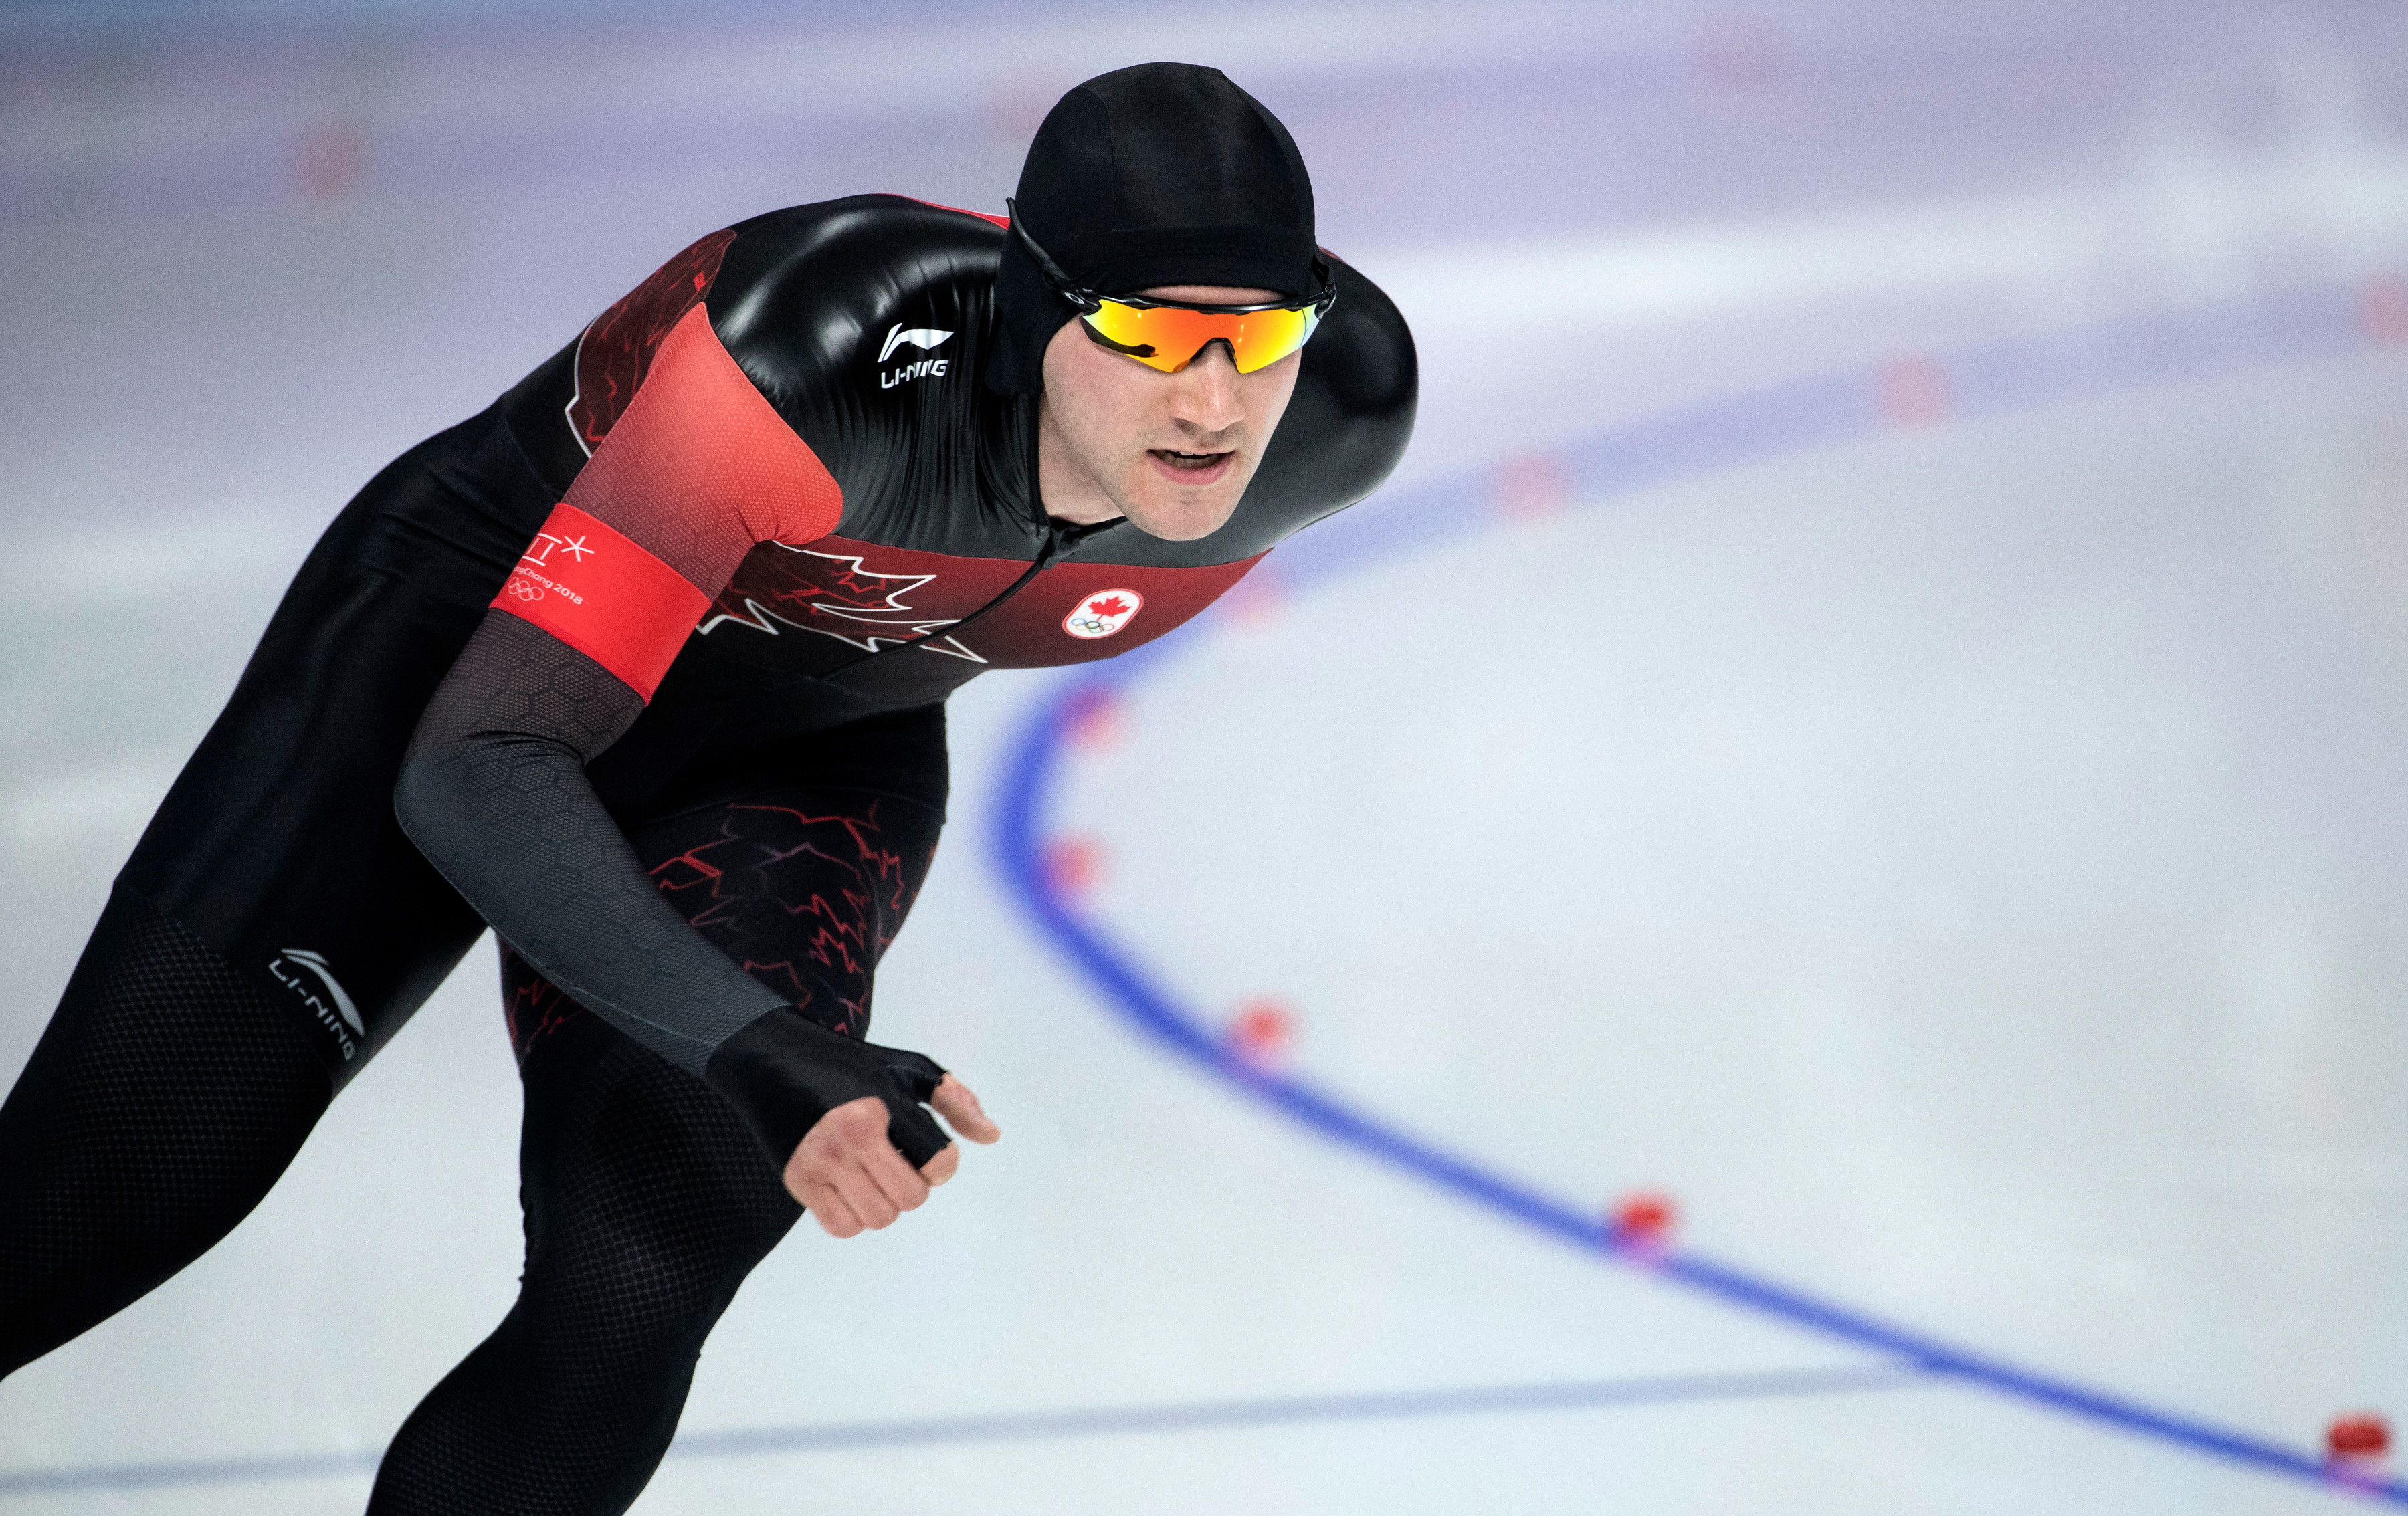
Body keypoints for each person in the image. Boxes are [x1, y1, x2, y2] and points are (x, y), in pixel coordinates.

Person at [0, 61, 1415, 1515]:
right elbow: (477, 764)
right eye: (1148, 333)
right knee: (113, 1190)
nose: (1214, 398)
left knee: (659, 1248)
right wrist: (752, 1040)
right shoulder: (816, 348)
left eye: (1262, 335)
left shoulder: (1344, 417)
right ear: (1038, 299)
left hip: (804, 742)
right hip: (473, 664)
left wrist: (755, 1067)